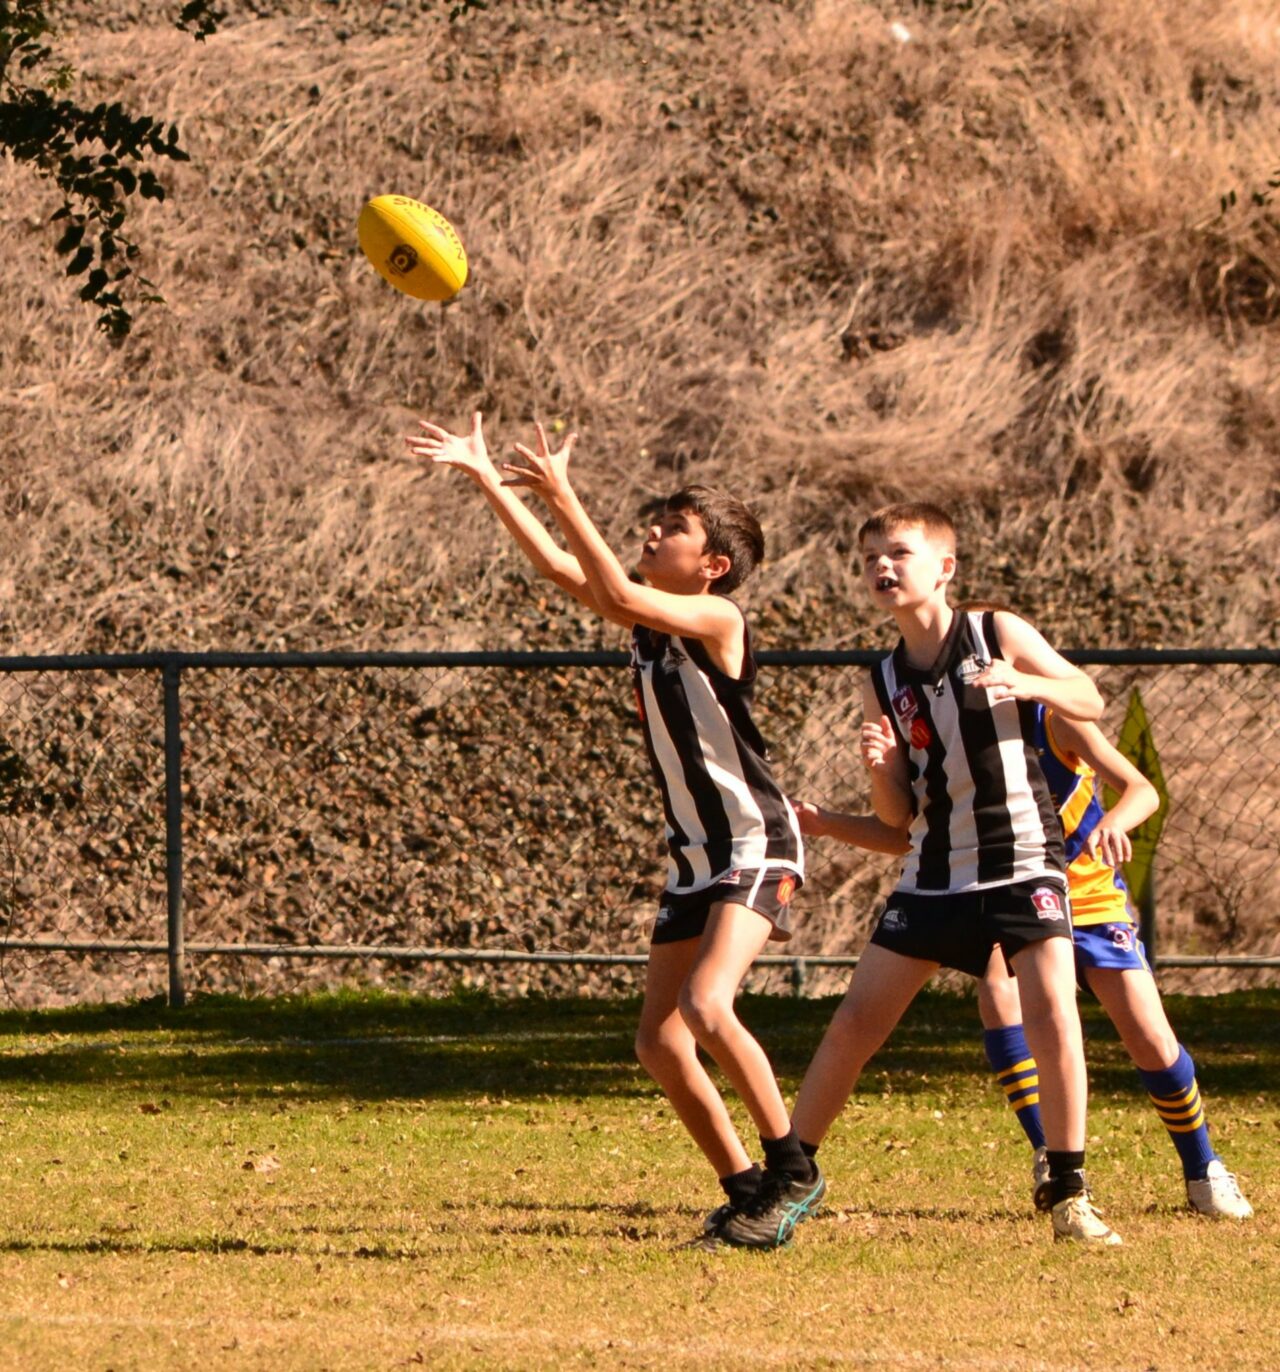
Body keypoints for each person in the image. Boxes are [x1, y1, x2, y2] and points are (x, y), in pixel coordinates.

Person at [405, 411, 817, 1246]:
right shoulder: (649, 622)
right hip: (696, 858)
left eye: (674, 528)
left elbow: (621, 591)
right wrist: (488, 479)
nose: (653, 532)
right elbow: (563, 569)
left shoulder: (721, 621)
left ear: (714, 566)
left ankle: (794, 1169)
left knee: (707, 1004)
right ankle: (746, 1191)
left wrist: (562, 492)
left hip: (755, 842)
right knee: (660, 1044)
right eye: (656, 520)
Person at [725, 500, 1123, 1248]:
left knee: (1052, 1016)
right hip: (934, 875)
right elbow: (898, 818)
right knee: (854, 1024)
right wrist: (880, 770)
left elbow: (1090, 697)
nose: (882, 566)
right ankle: (792, 1175)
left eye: (899, 553)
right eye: (870, 556)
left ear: (945, 567)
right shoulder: (882, 679)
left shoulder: (996, 633)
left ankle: (1069, 1189)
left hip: (1023, 864)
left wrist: (1029, 684)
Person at [976, 702, 1253, 1220]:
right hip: (1015, 896)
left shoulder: (1056, 720)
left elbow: (1142, 790)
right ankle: (1052, 1153)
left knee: (1150, 1036)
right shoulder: (957, 724)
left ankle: (1203, 1168)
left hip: (1088, 898)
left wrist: (1113, 823)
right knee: (998, 991)